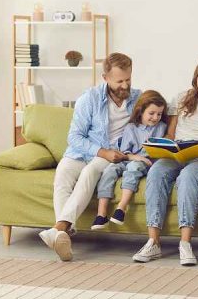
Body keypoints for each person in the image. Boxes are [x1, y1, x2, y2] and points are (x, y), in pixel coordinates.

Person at [38, 53, 140, 261]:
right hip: (86, 151)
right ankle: (62, 234)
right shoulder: (90, 98)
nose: (125, 85)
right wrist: (101, 151)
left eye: (128, 79)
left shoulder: (138, 99)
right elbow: (74, 137)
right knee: (63, 173)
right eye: (119, 81)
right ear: (105, 78)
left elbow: (156, 114)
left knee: (89, 173)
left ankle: (58, 230)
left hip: (110, 155)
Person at [132, 55, 198, 266]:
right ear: (195, 76)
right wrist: (160, 145)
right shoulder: (182, 98)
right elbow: (171, 133)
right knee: (156, 172)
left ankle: (185, 244)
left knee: (187, 178)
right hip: (178, 153)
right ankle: (153, 242)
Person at [92, 90, 168, 230]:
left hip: (145, 163)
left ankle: (121, 208)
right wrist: (134, 157)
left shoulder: (161, 128)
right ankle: (101, 215)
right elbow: (125, 153)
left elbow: (157, 151)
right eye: (151, 113)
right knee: (109, 170)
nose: (155, 117)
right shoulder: (131, 127)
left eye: (159, 114)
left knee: (134, 168)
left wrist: (142, 158)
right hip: (128, 158)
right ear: (141, 111)